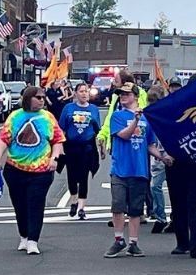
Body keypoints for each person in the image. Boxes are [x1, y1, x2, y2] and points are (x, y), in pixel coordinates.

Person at [0, 86, 65, 255]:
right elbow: (4, 138)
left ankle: (33, 240)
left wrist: (54, 158)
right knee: (20, 204)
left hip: (41, 171)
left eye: (43, 97)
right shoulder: (15, 117)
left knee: (36, 203)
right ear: (28, 99)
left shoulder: (48, 117)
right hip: (15, 169)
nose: (42, 100)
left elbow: (58, 140)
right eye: (38, 97)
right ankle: (23, 236)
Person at [103, 82, 166, 258]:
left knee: (136, 209)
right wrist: (136, 120)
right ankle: (118, 239)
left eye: (127, 94)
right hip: (120, 169)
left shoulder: (147, 119)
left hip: (139, 169)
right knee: (118, 206)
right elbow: (124, 135)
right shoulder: (117, 116)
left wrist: (163, 157)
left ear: (136, 97)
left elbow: (150, 144)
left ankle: (133, 242)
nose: (123, 97)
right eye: (121, 94)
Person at [58, 82, 101, 220]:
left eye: (86, 91)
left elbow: (98, 129)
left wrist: (101, 146)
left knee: (84, 176)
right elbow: (61, 128)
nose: (84, 94)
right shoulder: (68, 108)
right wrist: (59, 146)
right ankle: (74, 200)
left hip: (87, 147)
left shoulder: (94, 109)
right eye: (81, 91)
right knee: (72, 175)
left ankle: (82, 207)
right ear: (76, 94)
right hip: (71, 146)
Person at [146, 86, 170, 234]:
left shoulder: (166, 113)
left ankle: (165, 217)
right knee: (154, 186)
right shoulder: (148, 113)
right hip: (156, 152)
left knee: (157, 186)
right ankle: (160, 216)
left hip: (166, 153)